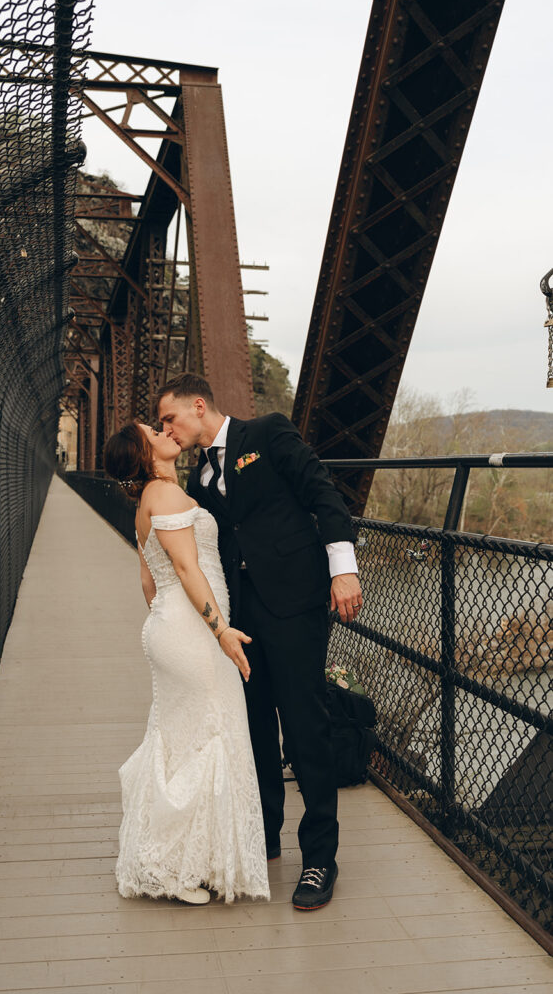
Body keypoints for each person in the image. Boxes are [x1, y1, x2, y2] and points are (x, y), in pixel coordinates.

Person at [156, 373, 363, 910]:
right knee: (254, 732)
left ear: (198, 406)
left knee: (305, 727)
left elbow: (322, 493)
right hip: (243, 619)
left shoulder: (267, 434)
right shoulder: (199, 478)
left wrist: (344, 568)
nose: (167, 429)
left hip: (295, 604)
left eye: (169, 418)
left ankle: (319, 857)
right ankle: (265, 838)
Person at [103, 421, 270, 905]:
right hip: (196, 631)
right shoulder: (168, 496)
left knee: (182, 736)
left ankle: (184, 861)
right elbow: (184, 567)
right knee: (212, 732)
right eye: (153, 430)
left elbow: (149, 582)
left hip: (173, 625)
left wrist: (165, 624)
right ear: (143, 451)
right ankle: (177, 867)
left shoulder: (147, 503)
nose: (165, 431)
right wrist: (220, 632)